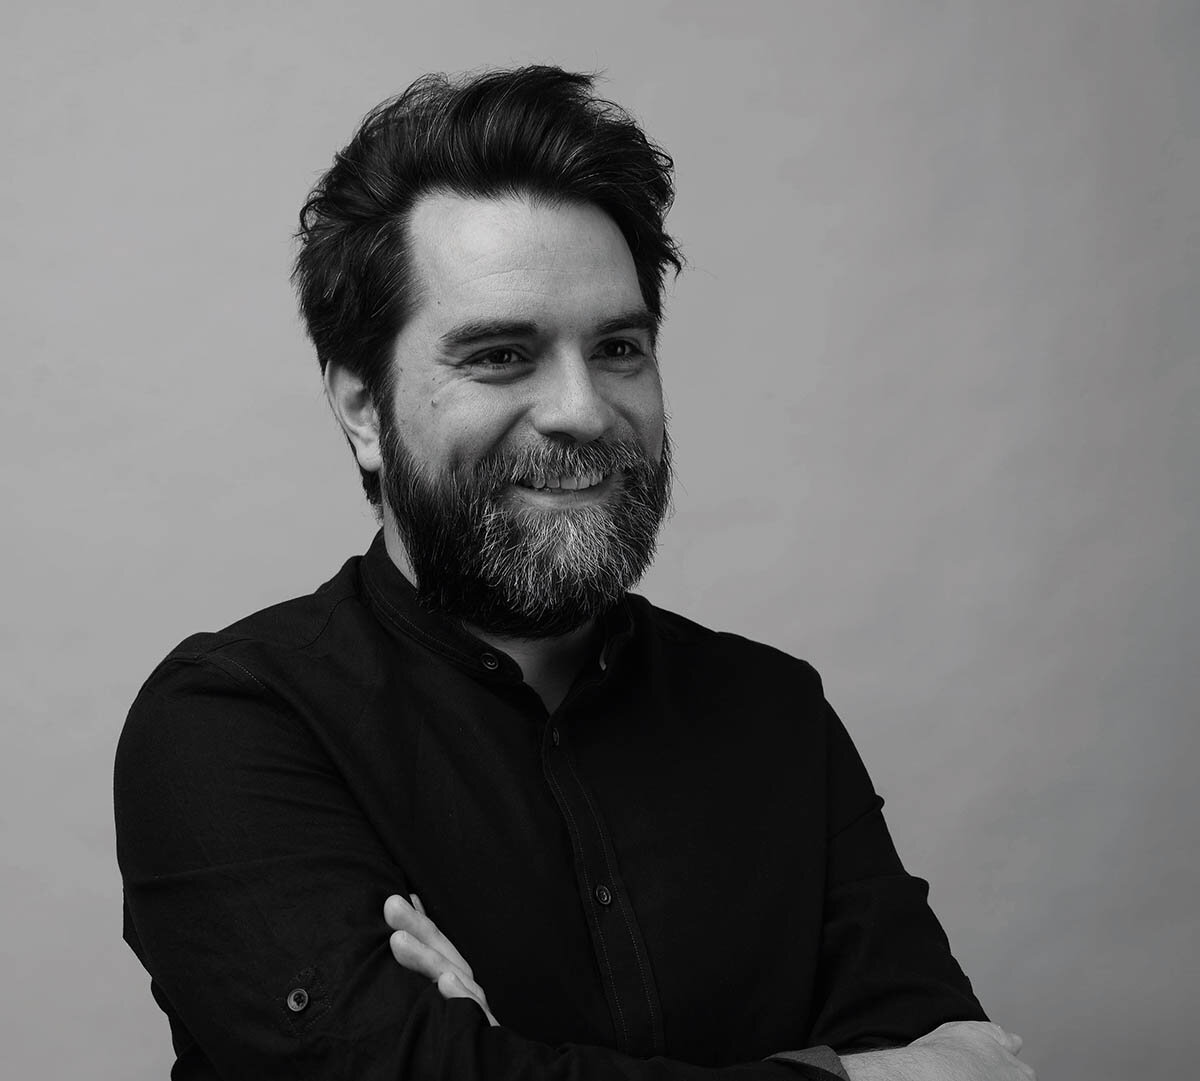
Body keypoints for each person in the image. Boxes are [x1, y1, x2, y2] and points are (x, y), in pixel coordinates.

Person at [114, 67, 1035, 1081]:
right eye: (501, 355)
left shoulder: (774, 712)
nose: (584, 410)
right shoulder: (230, 726)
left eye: (619, 346)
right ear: (363, 409)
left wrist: (488, 1059)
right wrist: (859, 1074)